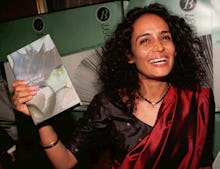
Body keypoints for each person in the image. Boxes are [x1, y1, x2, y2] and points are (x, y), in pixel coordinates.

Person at [11, 3, 215, 169]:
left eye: (165, 37)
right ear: (129, 55)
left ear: (175, 47)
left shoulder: (198, 101)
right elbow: (65, 162)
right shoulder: (108, 104)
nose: (159, 47)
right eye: (145, 41)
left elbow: (203, 163)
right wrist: (41, 118)